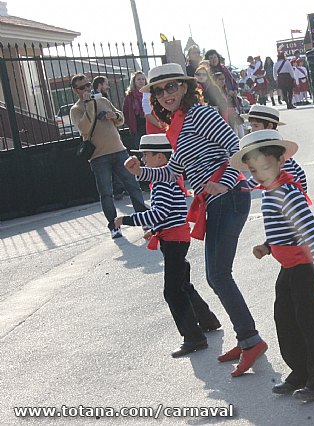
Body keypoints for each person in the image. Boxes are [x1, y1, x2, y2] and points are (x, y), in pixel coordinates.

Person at [124, 63, 268, 377]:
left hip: (227, 197)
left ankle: (250, 340)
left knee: (218, 275)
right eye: (159, 91)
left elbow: (236, 148)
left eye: (172, 87)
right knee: (218, 275)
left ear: (185, 87)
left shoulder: (200, 115)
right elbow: (173, 171)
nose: (166, 94)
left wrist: (227, 181)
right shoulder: (177, 125)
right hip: (214, 202)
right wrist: (140, 171)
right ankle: (248, 338)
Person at [230, 129, 314, 403]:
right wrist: (267, 246)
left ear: (280, 162)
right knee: (286, 321)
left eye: (264, 167)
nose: (259, 174)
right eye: (253, 170)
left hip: (306, 270)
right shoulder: (270, 192)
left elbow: (313, 234)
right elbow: (284, 230)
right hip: (288, 269)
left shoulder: (288, 192)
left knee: (313, 326)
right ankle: (300, 372)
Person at [115, 134, 221, 357]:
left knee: (172, 291)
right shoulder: (168, 179)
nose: (142, 160)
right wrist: (154, 230)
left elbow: (160, 213)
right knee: (183, 284)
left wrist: (127, 220)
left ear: (160, 157)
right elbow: (171, 214)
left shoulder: (162, 182)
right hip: (176, 236)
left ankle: (193, 337)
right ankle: (207, 320)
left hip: (174, 240)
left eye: (145, 155)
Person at [69, 73, 147, 239]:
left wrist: (114, 116)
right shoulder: (76, 110)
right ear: (76, 90)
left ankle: (144, 220)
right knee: (106, 193)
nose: (87, 89)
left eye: (88, 85)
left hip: (119, 150)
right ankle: (114, 226)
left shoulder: (103, 100)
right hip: (98, 156)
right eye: (82, 87)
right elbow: (84, 128)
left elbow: (121, 118)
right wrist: (89, 104)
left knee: (133, 185)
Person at [242, 105, 307, 191]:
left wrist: (246, 186)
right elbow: (301, 173)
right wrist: (303, 193)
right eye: (251, 126)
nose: (252, 130)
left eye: (256, 126)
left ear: (269, 126)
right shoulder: (279, 149)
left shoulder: (270, 152)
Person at [122, 71, 148, 151]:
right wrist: (130, 124)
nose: (141, 81)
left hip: (148, 122)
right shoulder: (129, 96)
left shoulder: (149, 93)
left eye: (143, 79)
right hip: (136, 126)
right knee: (140, 149)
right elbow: (125, 112)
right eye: (139, 79)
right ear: (134, 81)